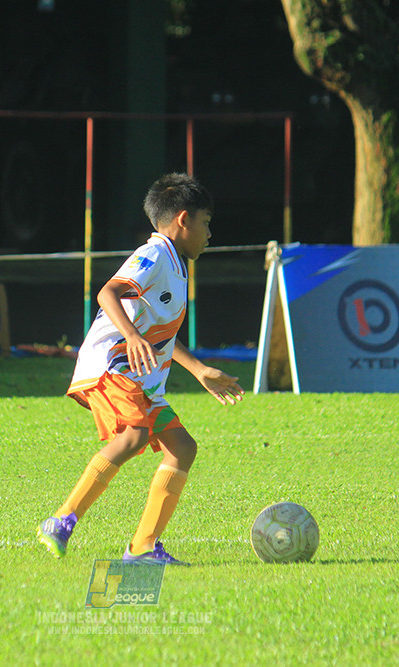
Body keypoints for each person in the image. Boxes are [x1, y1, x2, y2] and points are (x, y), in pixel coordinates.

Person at [37, 173, 244, 565]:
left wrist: (198, 369)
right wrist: (131, 336)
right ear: (183, 219)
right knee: (135, 435)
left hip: (140, 378)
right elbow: (108, 292)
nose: (209, 233)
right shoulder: (154, 255)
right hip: (111, 365)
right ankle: (61, 520)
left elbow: (163, 335)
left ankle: (143, 549)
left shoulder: (176, 265)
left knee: (183, 448)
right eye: (206, 222)